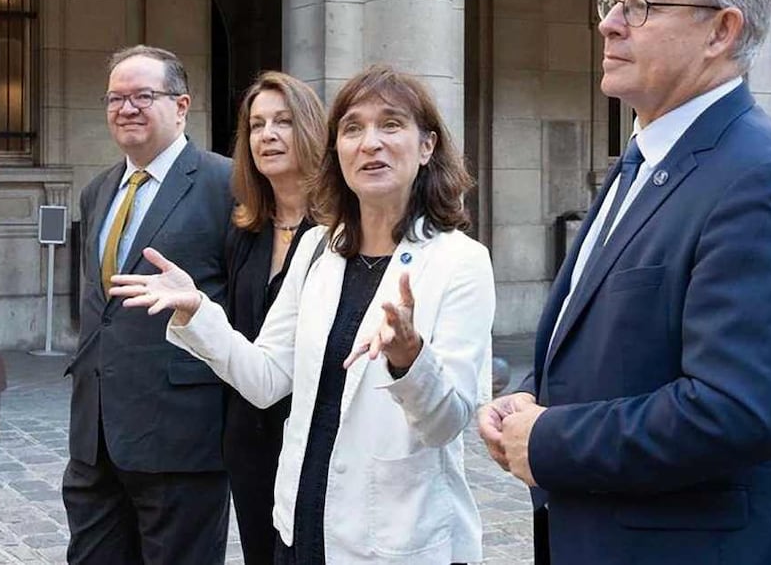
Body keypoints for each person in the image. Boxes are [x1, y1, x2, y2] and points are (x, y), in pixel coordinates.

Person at [478, 0, 771, 565]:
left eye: (641, 6)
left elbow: (736, 410)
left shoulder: (764, 180)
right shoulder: (646, 158)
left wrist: (550, 439)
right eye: (612, 2)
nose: (608, 23)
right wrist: (531, 400)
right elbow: (617, 341)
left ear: (721, 31)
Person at [112, 64, 493, 564]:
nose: (370, 143)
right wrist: (198, 312)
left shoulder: (461, 261)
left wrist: (409, 358)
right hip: (301, 524)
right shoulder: (317, 248)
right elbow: (266, 378)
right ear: (337, 150)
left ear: (427, 146)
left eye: (391, 124)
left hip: (396, 536)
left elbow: (446, 423)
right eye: (353, 129)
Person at [62, 45, 234, 564]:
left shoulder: (226, 184)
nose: (126, 108)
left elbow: (249, 307)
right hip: (95, 440)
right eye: (115, 98)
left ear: (181, 106)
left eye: (142, 96)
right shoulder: (98, 190)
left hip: (182, 439)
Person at [223, 71, 327, 564]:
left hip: (318, 434)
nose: (267, 135)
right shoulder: (244, 228)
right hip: (250, 436)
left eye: (282, 122)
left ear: (309, 130)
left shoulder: (342, 229)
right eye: (257, 125)